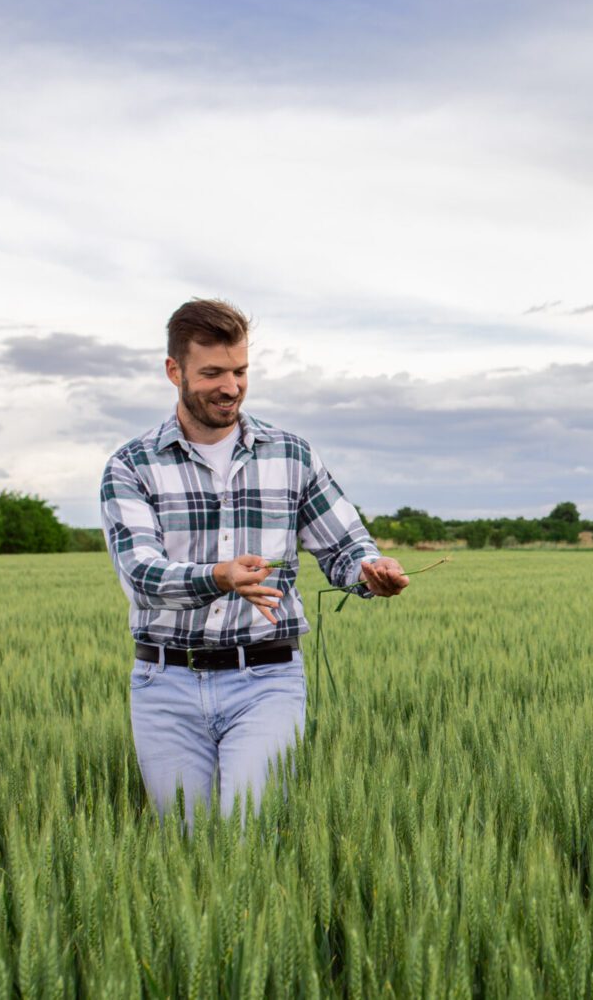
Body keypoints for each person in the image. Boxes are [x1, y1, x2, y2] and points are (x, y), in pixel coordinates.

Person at [99, 298, 408, 827]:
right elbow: (141, 576)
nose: (230, 387)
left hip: (267, 679)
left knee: (252, 837)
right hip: (165, 683)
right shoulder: (131, 466)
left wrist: (369, 572)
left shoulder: (291, 455)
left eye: (240, 371)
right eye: (212, 373)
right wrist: (218, 577)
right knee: (185, 849)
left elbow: (343, 545)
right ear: (174, 371)